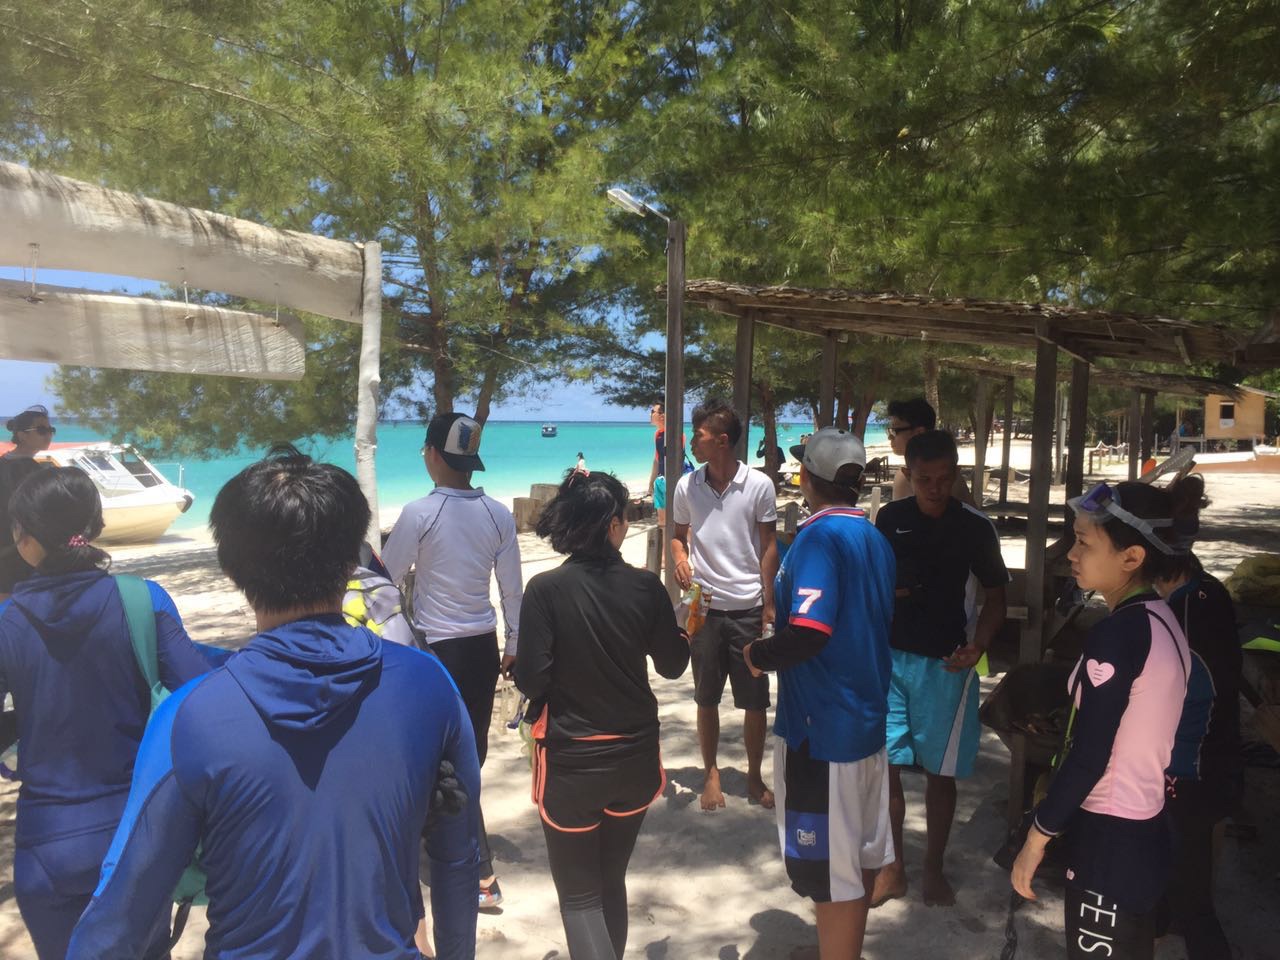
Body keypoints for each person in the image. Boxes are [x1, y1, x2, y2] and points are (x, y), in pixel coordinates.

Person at [69, 446, 481, 960]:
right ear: (352, 559)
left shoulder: (189, 717)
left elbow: (121, 912)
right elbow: (458, 857)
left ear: (232, 568)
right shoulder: (428, 684)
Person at [0, 467, 211, 959]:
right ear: (94, 526)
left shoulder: (7, 623)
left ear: (24, 537)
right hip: (136, 839)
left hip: (46, 843)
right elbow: (203, 698)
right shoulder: (142, 600)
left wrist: (20, 738)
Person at [1012, 479, 1195, 960]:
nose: (1072, 554)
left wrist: (1037, 837)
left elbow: (1092, 753)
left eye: (1084, 542)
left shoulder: (1117, 636)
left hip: (1111, 838)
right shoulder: (1161, 619)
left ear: (1131, 557)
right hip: (1144, 825)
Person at [516, 469, 689, 960]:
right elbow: (673, 665)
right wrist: (683, 629)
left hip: (572, 762)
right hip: (635, 758)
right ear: (613, 525)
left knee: (579, 897)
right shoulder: (646, 587)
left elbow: (532, 681)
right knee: (611, 879)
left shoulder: (545, 590)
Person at [742, 428, 897, 960]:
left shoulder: (818, 538)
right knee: (858, 858)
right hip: (865, 722)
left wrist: (758, 655)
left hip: (821, 731)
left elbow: (810, 630)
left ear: (806, 477)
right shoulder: (873, 537)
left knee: (831, 874)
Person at [382, 412, 522, 909]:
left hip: (436, 652)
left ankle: (480, 873)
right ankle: (450, 843)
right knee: (470, 755)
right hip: (483, 648)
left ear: (433, 454)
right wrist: (514, 642)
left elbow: (385, 577)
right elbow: (511, 589)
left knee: (441, 760)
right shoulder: (498, 514)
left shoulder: (419, 512)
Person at [872, 429, 1008, 907]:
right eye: (925, 479)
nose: (935, 488)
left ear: (956, 475)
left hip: (947, 666)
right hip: (890, 660)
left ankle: (933, 867)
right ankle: (893, 869)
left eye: (945, 478)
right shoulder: (890, 519)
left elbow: (996, 598)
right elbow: (874, 584)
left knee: (940, 772)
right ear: (908, 475)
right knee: (886, 767)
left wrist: (979, 645)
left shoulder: (975, 527)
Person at [671, 398, 779, 811]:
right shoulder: (687, 486)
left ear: (721, 441)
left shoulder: (759, 485)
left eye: (698, 436)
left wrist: (769, 603)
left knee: (755, 700)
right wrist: (680, 559)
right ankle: (711, 773)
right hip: (704, 610)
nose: (691, 442)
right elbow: (678, 536)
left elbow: (768, 545)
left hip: (748, 607)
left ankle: (754, 775)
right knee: (706, 697)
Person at [1153, 477, 1240, 960]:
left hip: (1191, 772)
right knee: (1169, 884)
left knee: (1194, 903)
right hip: (1209, 762)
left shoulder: (1184, 612)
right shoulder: (1205, 590)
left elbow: (1187, 696)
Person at [0, 405, 55, 599]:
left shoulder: (4, 463)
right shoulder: (33, 471)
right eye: (41, 430)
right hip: (24, 551)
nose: (48, 435)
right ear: (22, 435)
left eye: (51, 429)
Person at [886, 398, 972, 504]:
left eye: (895, 431)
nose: (890, 437)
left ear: (919, 433)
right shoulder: (951, 474)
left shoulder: (907, 477)